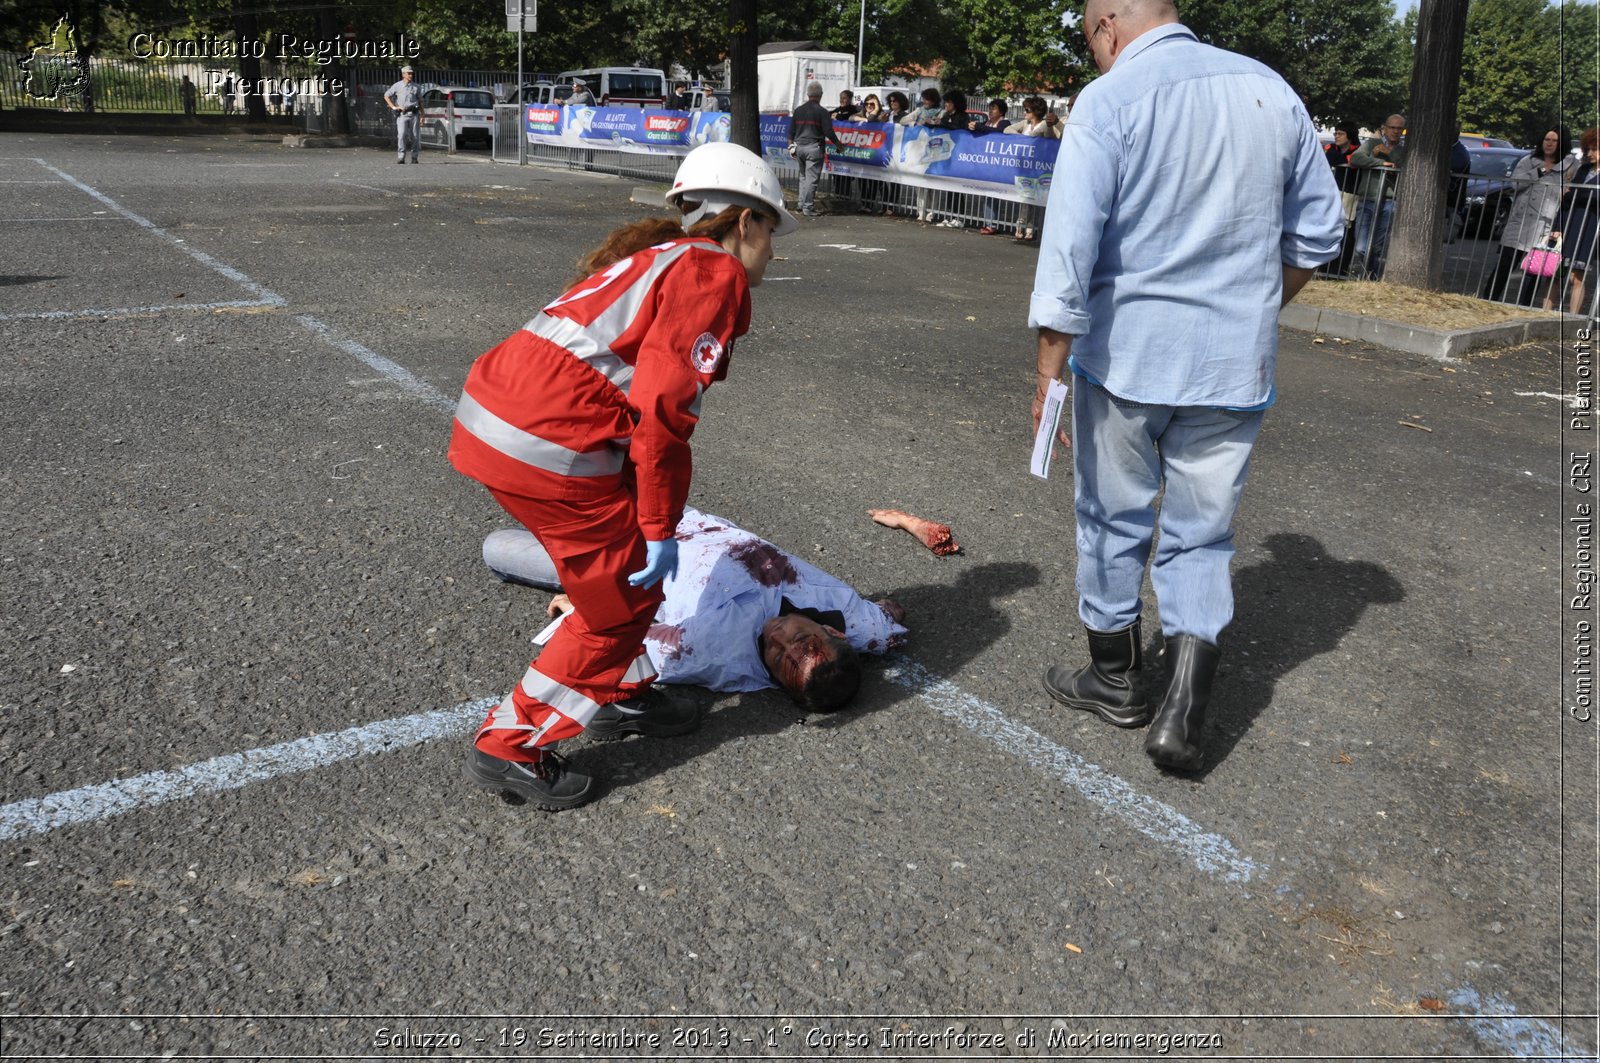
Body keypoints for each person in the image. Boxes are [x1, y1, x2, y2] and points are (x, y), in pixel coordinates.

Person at [1029, 0, 1342, 772]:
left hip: (1128, 357)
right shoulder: (1271, 90)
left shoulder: (1110, 101)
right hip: (1231, 367)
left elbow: (1069, 249)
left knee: (1112, 514)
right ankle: (1184, 707)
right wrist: (1255, 305)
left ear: (1105, 27)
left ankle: (1115, 679)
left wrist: (1047, 369)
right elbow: (1320, 233)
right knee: (1202, 529)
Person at [449, 143, 797, 811]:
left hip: (495, 416)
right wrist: (661, 522)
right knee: (623, 600)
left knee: (622, 570)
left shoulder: (659, 255)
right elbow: (664, 411)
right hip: (548, 440)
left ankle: (619, 690)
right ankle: (511, 745)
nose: (773, 255)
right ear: (745, 221)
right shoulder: (713, 271)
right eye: (772, 232)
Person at [482, 508, 908, 706]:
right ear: (834, 634)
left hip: (616, 559)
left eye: (777, 657)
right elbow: (890, 619)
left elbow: (623, 644)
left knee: (496, 546)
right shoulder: (858, 624)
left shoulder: (713, 656)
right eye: (797, 636)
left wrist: (584, 606)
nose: (775, 636)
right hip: (664, 517)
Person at [1481, 128, 1574, 305]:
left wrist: (1560, 226)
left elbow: (1569, 196)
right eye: (1546, 139)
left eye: (1554, 141)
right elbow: (1515, 184)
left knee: (1535, 271)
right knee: (1504, 266)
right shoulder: (1529, 161)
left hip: (1544, 225)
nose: (1549, 143)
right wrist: (1539, 172)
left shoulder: (1569, 167)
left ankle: (1525, 306)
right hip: (1520, 222)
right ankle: (1488, 300)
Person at [1347, 114, 1407, 279]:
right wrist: (1380, 162)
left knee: (1377, 247)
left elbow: (1404, 165)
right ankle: (1365, 274)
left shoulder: (1404, 149)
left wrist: (1388, 153)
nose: (1395, 131)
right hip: (1368, 197)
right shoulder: (1372, 143)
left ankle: (1370, 278)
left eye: (1399, 128)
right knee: (1361, 246)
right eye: (1392, 127)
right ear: (1384, 128)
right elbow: (1356, 158)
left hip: (1389, 201)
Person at [1555, 127, 1600, 316]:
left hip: (1590, 228)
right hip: (1571, 223)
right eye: (1587, 149)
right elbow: (1568, 200)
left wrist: (1576, 195)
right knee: (1557, 274)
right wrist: (1558, 227)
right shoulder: (1582, 170)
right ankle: (1544, 313)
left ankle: (1573, 318)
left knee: (1577, 276)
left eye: (1594, 149)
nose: (1589, 154)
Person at [788, 81, 841, 217]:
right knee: (811, 179)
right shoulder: (822, 112)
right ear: (821, 95)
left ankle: (801, 204)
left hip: (799, 147)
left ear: (808, 94)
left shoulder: (798, 110)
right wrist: (838, 144)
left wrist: (791, 147)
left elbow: (791, 131)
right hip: (814, 147)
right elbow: (828, 131)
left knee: (803, 177)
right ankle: (808, 207)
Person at [1011, 97, 1060, 243]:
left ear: (1036, 111)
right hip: (1025, 166)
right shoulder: (1024, 124)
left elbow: (1049, 140)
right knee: (1024, 197)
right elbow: (1008, 129)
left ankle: (1031, 228)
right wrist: (1022, 138)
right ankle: (1020, 226)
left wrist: (1048, 129)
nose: (1025, 112)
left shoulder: (1044, 125)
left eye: (1027, 110)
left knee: (1035, 198)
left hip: (1038, 167)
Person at [1324, 122, 1361, 274]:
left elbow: (1348, 161)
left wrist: (1333, 153)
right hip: (1334, 195)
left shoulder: (1358, 151)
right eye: (1335, 133)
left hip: (1351, 197)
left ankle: (1340, 269)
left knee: (1346, 235)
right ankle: (1325, 266)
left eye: (1340, 133)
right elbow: (1331, 159)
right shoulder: (1333, 149)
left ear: (1349, 135)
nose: (1336, 136)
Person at [384, 65, 422, 164]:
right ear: (403, 74)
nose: (411, 75)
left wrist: (423, 115)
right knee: (401, 135)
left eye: (411, 73)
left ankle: (414, 157)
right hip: (402, 115)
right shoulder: (397, 86)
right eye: (408, 73)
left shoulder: (417, 87)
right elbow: (386, 95)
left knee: (415, 137)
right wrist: (394, 107)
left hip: (414, 114)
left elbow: (421, 101)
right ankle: (401, 156)